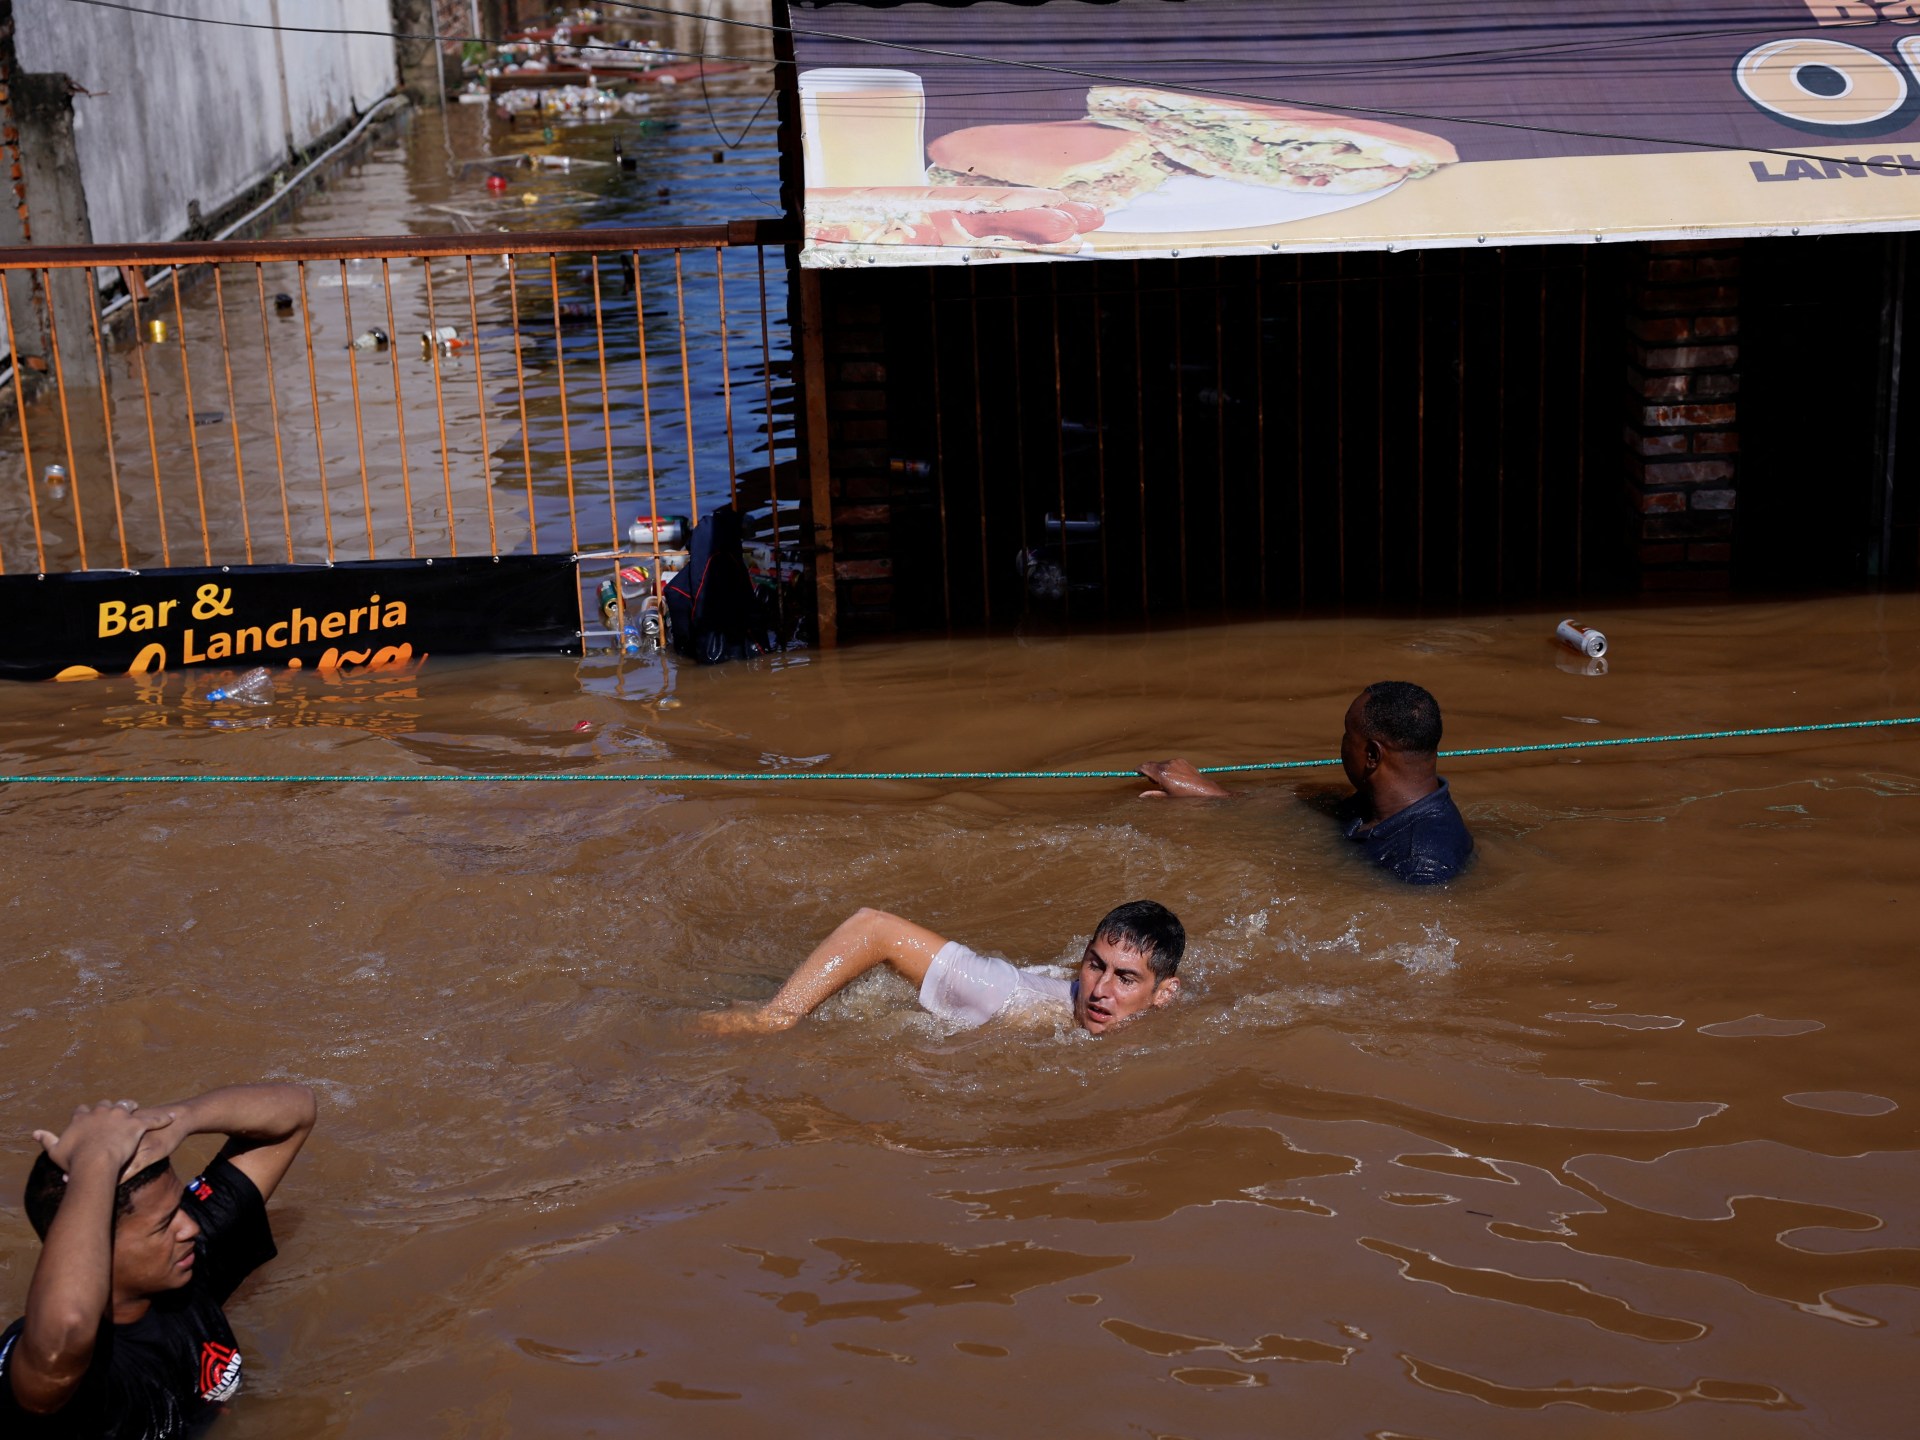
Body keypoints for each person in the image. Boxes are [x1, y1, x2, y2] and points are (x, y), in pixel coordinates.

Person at [1, 1082, 318, 1437]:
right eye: (165, 1223)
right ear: (98, 1246)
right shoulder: (58, 1367)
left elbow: (295, 1111)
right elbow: (70, 1324)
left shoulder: (179, 1260)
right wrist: (98, 1157)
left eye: (178, 1208)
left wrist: (175, 1121)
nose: (190, 1227)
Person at [1139, 680, 1474, 885]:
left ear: (1372, 755)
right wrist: (1208, 794)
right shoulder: (1372, 804)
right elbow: (1295, 805)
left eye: (1347, 734)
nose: (1342, 743)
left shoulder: (1422, 862)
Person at [698, 900, 1185, 1035]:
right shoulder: (1003, 994)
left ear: (1164, 993)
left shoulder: (1165, 1016)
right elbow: (874, 928)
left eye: (1124, 979)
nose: (1099, 990)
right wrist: (776, 1017)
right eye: (1094, 966)